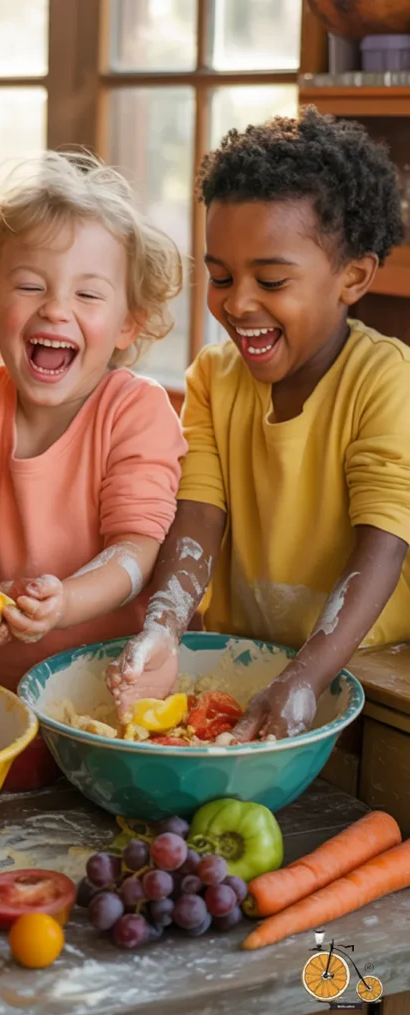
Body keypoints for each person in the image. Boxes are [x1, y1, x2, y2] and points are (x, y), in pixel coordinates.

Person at [107, 107, 410, 742]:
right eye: (220, 276)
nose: (238, 301)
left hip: (357, 676)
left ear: (353, 275)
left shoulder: (386, 382)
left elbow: (383, 544)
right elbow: (197, 517)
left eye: (270, 279)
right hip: (242, 668)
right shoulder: (213, 378)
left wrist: (304, 679)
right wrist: (164, 624)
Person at [0, 151, 186, 783]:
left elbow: (135, 549)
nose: (56, 309)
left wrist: (65, 602)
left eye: (88, 293)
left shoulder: (136, 410)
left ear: (128, 323)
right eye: (31, 286)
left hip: (109, 707)